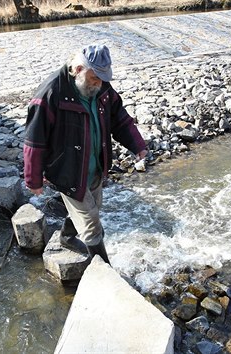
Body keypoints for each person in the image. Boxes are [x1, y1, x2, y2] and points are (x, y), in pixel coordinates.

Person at [23, 44, 148, 264]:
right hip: (68, 170)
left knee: (94, 207)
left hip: (94, 166)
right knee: (91, 223)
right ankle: (106, 274)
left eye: (102, 78)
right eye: (94, 77)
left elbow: (120, 119)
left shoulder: (103, 89)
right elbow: (35, 140)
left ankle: (67, 237)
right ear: (78, 69)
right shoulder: (51, 92)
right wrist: (33, 178)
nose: (98, 83)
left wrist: (137, 144)